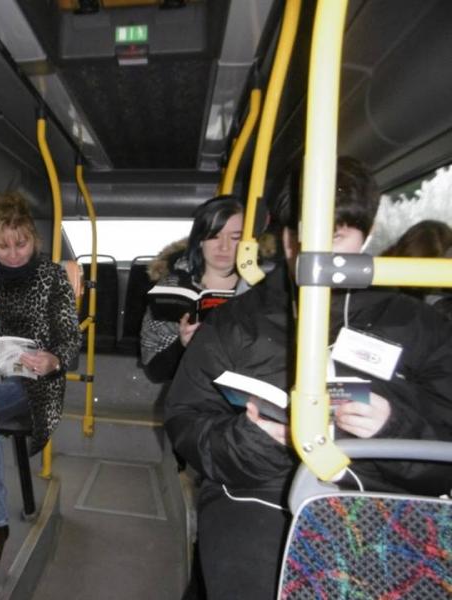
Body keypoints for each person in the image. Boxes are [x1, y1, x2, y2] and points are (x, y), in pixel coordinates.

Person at [164, 157, 452, 599]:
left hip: (383, 497)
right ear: (284, 236)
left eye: (336, 236)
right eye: (301, 236)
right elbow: (185, 417)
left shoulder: (417, 325)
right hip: (260, 489)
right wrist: (251, 440)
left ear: (367, 234)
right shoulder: (238, 324)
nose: (314, 251)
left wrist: (393, 425)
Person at [0, 192, 80, 566]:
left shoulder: (52, 276)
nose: (12, 253)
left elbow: (70, 336)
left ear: (35, 240)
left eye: (21, 244)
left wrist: (54, 359)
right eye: (3, 245)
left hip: (34, 382)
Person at [140, 195, 244, 382]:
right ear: (200, 240)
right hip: (192, 397)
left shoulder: (264, 288)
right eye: (214, 236)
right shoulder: (171, 289)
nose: (224, 247)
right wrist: (182, 345)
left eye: (235, 237)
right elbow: (154, 371)